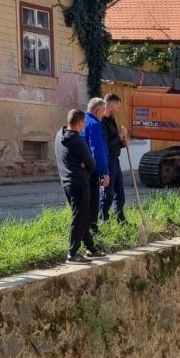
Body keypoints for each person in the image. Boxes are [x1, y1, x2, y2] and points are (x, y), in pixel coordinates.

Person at [54, 109, 105, 264]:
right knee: (80, 218)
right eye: (83, 123)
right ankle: (72, 253)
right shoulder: (78, 141)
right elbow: (92, 164)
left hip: (66, 182)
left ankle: (91, 248)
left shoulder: (59, 135)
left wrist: (82, 163)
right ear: (80, 123)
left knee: (81, 216)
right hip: (80, 183)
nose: (84, 126)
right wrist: (84, 164)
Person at [82, 97, 110, 235]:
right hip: (92, 169)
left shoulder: (81, 120)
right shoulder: (94, 124)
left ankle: (85, 228)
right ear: (98, 111)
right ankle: (93, 228)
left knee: (84, 201)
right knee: (94, 199)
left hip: (81, 168)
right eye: (103, 110)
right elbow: (97, 150)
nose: (104, 114)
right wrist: (104, 172)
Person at [100, 93, 128, 223]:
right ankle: (103, 218)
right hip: (107, 160)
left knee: (119, 191)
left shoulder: (111, 119)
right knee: (108, 192)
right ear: (111, 104)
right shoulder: (101, 122)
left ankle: (120, 218)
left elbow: (114, 142)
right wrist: (120, 135)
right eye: (117, 106)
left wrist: (123, 142)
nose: (118, 109)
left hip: (115, 160)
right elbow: (106, 145)